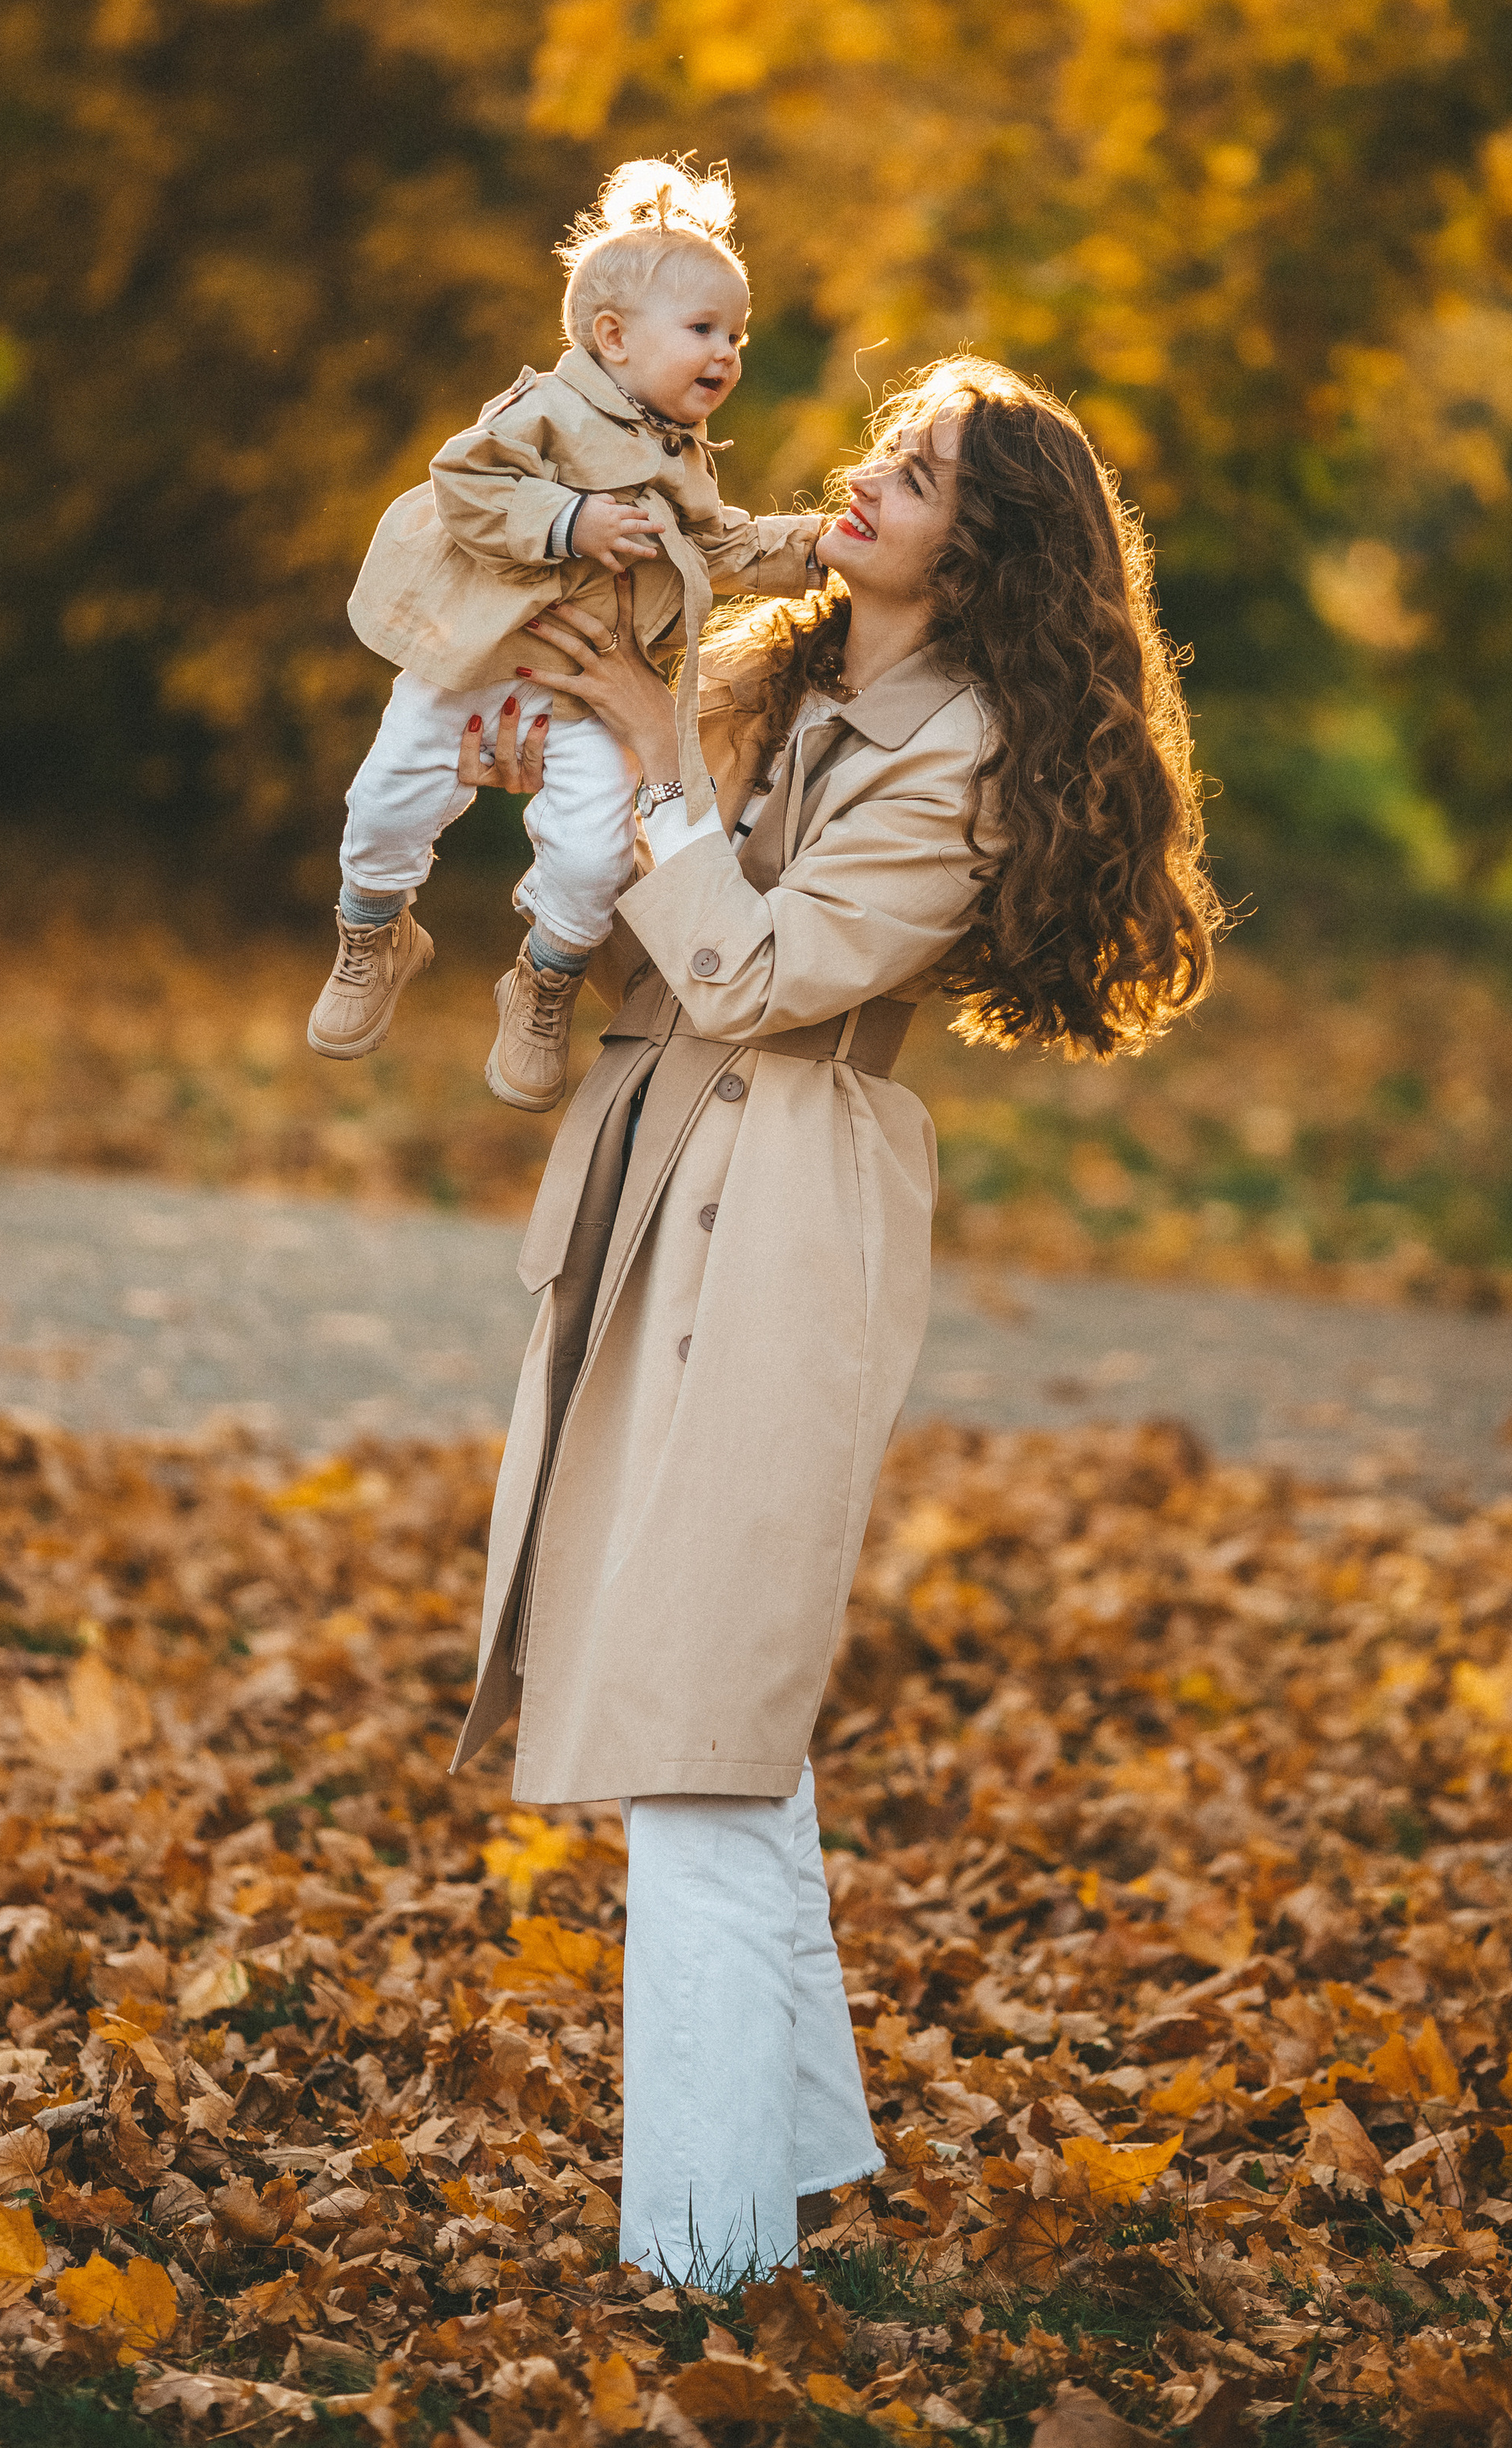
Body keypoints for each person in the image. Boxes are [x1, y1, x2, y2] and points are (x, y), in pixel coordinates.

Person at [448, 358, 1221, 2283]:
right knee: (727, 1717)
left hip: (783, 1213)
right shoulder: (780, 676)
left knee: (699, 1728)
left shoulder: (960, 754)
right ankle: (793, 2175)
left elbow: (766, 970)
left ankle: (699, 2263)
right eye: (884, 441)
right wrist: (558, 774)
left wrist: (647, 759)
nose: (870, 469)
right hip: (659, 1184)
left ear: (990, 554)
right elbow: (644, 915)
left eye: (930, 468)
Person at [308, 158, 826, 1108]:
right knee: (384, 799)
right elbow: (464, 481)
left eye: (737, 335)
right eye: (705, 330)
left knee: (593, 859)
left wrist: (824, 550)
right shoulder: (545, 410)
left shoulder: (683, 460)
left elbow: (721, 546)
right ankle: (375, 932)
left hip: (591, 693)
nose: (728, 353)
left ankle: (541, 983)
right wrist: (569, 523)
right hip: (474, 660)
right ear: (613, 338)